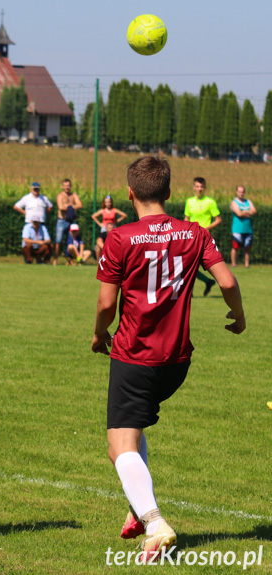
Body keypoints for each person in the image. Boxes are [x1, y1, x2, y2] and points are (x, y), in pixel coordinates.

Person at [92, 156, 245, 564]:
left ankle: (155, 522)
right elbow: (227, 281)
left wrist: (98, 333)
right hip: (176, 360)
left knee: (118, 445)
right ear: (170, 192)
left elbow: (107, 304)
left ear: (129, 193)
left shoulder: (121, 237)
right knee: (136, 428)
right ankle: (138, 509)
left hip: (135, 355)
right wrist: (239, 315)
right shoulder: (194, 233)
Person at [184, 177, 221, 296]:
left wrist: (205, 229)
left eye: (201, 187)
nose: (199, 189)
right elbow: (186, 219)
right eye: (197, 186)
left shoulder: (210, 202)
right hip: (191, 237)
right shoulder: (189, 201)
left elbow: (218, 220)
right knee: (189, 264)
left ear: (205, 188)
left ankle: (193, 290)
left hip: (204, 238)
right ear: (193, 188)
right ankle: (206, 282)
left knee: (192, 264)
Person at [53, 178, 83, 265]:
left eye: (68, 186)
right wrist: (72, 206)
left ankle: (71, 260)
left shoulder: (74, 195)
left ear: (70, 186)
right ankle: (55, 259)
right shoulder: (60, 196)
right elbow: (61, 207)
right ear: (62, 186)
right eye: (65, 186)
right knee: (58, 241)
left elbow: (80, 205)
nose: (67, 187)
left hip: (71, 221)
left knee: (71, 241)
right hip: (62, 221)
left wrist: (69, 206)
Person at [92, 195, 128, 260]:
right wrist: (100, 224)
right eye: (106, 202)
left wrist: (116, 221)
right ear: (104, 203)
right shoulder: (102, 211)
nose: (108, 203)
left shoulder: (114, 210)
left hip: (113, 228)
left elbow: (124, 215)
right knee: (100, 242)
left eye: (109, 202)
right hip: (104, 228)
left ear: (111, 202)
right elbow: (93, 216)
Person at [230, 185, 256, 268]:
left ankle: (247, 265)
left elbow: (254, 211)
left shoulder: (248, 201)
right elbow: (239, 214)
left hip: (248, 229)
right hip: (237, 229)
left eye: (242, 192)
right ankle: (234, 264)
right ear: (236, 192)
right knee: (235, 247)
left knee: (247, 248)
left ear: (244, 192)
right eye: (239, 191)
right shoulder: (234, 202)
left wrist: (243, 211)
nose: (241, 193)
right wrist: (248, 212)